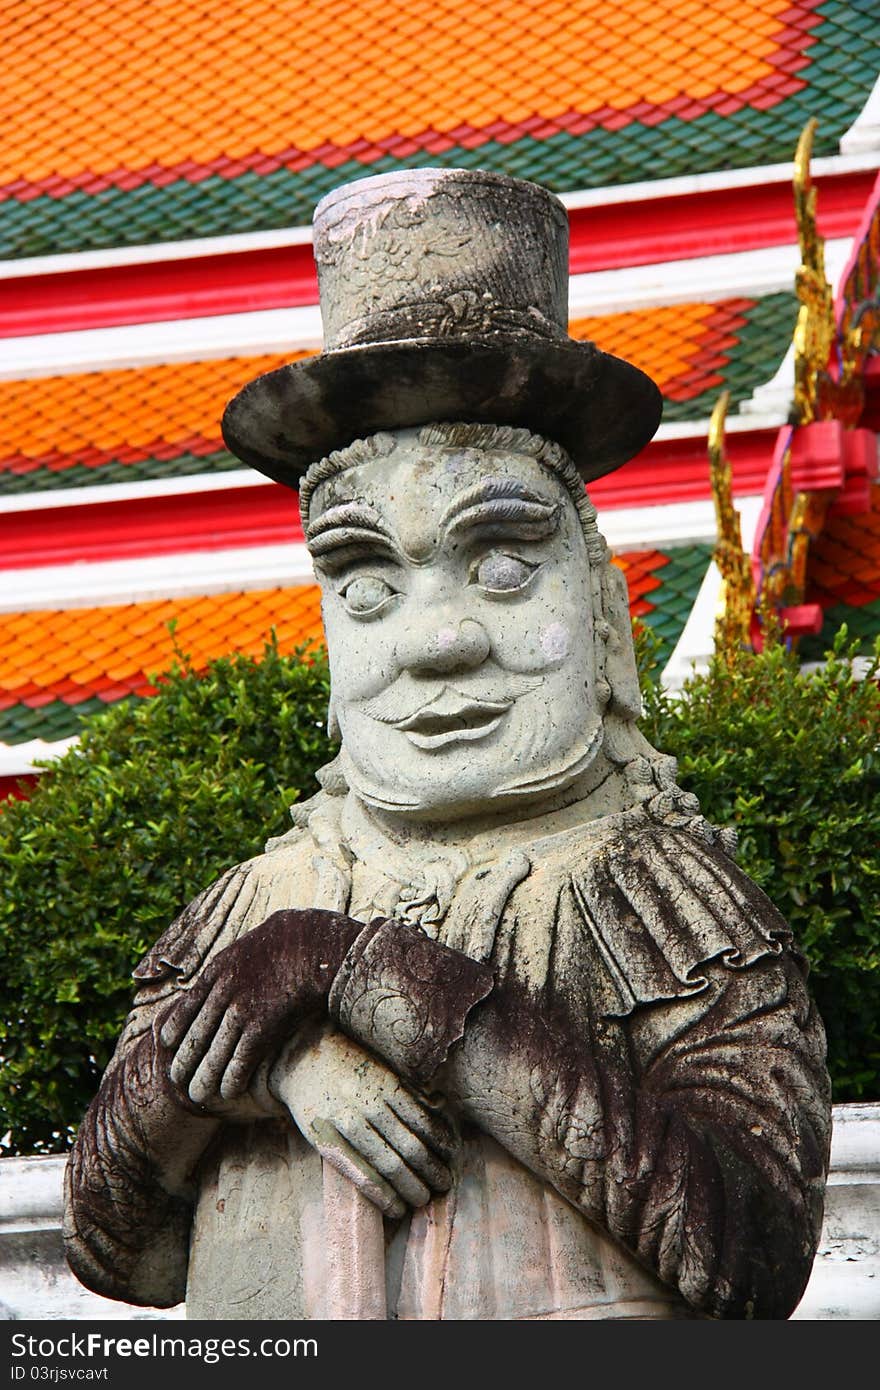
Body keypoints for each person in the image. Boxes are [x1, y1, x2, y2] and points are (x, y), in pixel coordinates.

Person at [64, 170, 831, 1320]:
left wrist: (362, 975)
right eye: (366, 586)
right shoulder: (251, 902)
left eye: (505, 566)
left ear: (603, 614)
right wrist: (268, 1060)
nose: (436, 643)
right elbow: (114, 1244)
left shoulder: (668, 897)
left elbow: (742, 1258)